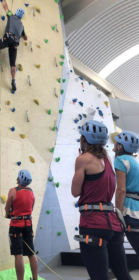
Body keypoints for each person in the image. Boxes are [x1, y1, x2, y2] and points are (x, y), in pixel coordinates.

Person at [71, 120, 132, 280]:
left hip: (92, 224)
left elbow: (75, 192)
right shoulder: (108, 159)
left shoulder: (83, 159)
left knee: (99, 277)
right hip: (113, 224)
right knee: (123, 274)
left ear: (84, 139)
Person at [5, 170, 38, 280]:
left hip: (15, 225)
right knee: (31, 253)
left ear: (19, 179)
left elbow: (7, 208)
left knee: (18, 254)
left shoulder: (13, 191)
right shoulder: (32, 192)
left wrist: (8, 214)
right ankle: (35, 278)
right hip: (28, 224)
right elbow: (31, 209)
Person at [113, 131, 139, 256]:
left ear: (120, 146)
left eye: (116, 142)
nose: (113, 143)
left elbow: (121, 190)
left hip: (129, 211)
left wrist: (117, 214)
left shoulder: (120, 160)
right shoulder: (134, 162)